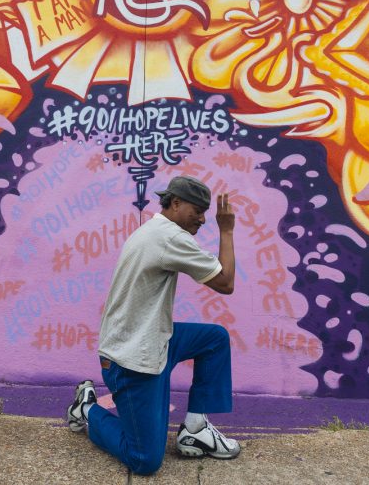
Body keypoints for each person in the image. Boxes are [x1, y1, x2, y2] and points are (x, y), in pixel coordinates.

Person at [66, 175, 239, 475]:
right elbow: (225, 282)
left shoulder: (155, 229)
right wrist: (227, 230)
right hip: (132, 359)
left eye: (205, 212)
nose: (202, 218)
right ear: (175, 203)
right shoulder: (170, 237)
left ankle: (196, 428)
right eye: (196, 210)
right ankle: (87, 410)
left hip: (154, 338)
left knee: (214, 339)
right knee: (145, 460)